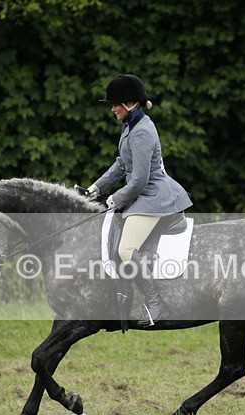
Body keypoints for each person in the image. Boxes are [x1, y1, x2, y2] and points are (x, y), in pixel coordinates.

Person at [86, 74, 193, 326]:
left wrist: (116, 198)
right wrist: (97, 188)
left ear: (130, 104)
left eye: (115, 104)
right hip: (142, 195)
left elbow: (140, 180)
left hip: (153, 196)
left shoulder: (142, 131)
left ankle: (156, 304)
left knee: (125, 249)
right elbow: (122, 164)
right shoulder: (130, 127)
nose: (112, 109)